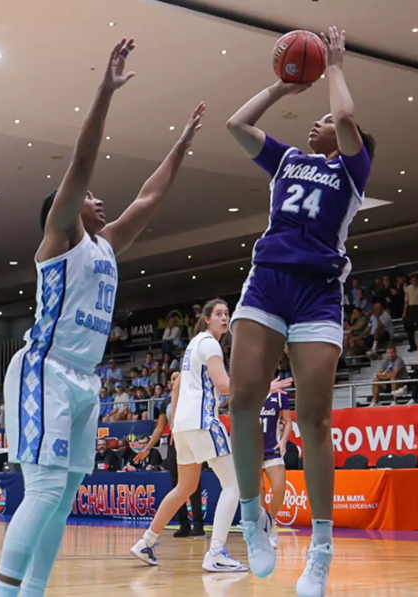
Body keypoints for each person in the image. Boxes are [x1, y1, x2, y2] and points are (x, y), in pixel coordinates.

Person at [0, 39, 204, 597]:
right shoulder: (60, 238)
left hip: (86, 377)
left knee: (63, 501)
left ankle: (31, 592)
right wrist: (105, 92)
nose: (99, 200)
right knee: (41, 492)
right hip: (46, 369)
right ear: (66, 206)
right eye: (90, 198)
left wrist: (180, 146)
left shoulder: (106, 246)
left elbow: (150, 197)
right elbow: (82, 164)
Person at [225, 26, 377, 596]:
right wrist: (283, 86)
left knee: (314, 419)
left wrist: (334, 65)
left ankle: (321, 547)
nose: (317, 123)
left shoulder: (352, 174)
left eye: (327, 124)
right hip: (268, 282)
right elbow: (236, 126)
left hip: (317, 293)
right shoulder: (287, 159)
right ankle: (249, 516)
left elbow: (342, 120)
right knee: (242, 398)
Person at [130, 299, 291, 572]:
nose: (224, 318)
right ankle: (215, 553)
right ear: (206, 319)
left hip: (182, 426)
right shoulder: (210, 344)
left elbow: (180, 387)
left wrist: (177, 421)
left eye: (227, 313)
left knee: (184, 488)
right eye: (218, 314)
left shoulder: (193, 345)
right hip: (204, 423)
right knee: (234, 485)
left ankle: (146, 542)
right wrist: (266, 385)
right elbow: (224, 385)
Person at [138, 371, 205, 537]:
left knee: (194, 485)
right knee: (177, 485)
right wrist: (147, 448)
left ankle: (198, 524)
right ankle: (184, 524)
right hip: (174, 445)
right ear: (169, 383)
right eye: (173, 378)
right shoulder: (166, 402)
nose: (176, 380)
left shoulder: (192, 396)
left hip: (191, 441)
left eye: (178, 377)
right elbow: (160, 429)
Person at [261, 390, 293, 548]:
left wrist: (284, 441)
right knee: (259, 492)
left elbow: (288, 421)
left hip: (273, 449)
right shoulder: (251, 391)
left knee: (280, 488)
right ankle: (263, 528)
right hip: (252, 451)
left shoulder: (280, 395)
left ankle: (271, 521)